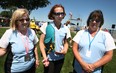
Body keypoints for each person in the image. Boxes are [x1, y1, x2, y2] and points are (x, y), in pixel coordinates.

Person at [0, 8, 39, 73]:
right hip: (14, 70)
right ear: (15, 21)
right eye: (21, 20)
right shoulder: (9, 33)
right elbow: (2, 50)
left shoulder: (32, 32)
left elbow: (35, 47)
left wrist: (37, 59)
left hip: (31, 67)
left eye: (27, 19)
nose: (25, 22)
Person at [39, 4, 71, 73]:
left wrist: (65, 49)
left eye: (62, 13)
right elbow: (41, 42)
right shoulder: (46, 25)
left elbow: (66, 42)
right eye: (57, 14)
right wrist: (45, 57)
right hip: (48, 58)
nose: (60, 16)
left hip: (60, 58)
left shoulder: (66, 28)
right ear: (53, 15)